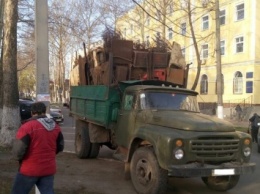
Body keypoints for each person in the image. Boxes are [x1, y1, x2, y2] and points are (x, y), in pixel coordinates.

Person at [11, 102, 64, 194]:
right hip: (48, 168)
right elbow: (60, 146)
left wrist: (17, 159)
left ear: (32, 112)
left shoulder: (27, 127)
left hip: (29, 169)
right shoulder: (55, 126)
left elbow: (18, 151)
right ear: (44, 111)